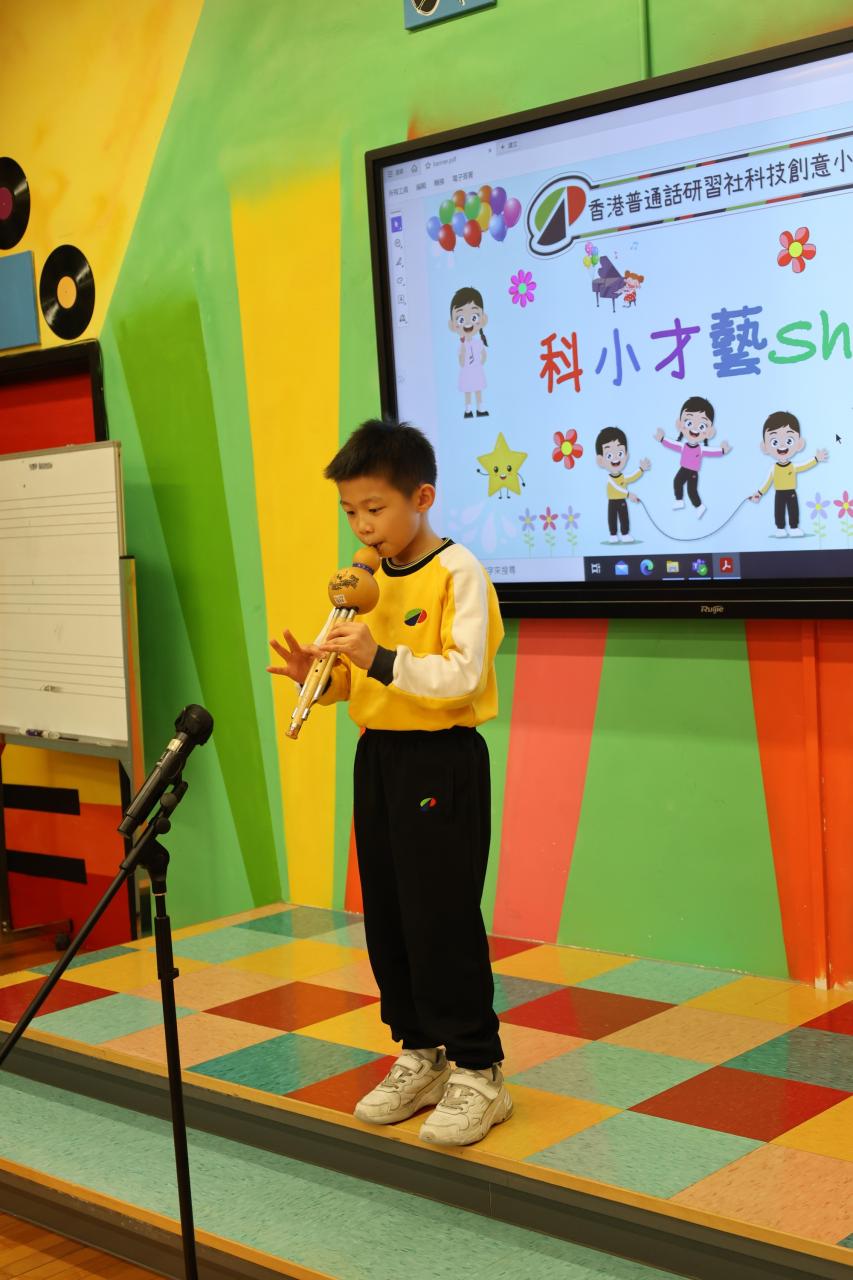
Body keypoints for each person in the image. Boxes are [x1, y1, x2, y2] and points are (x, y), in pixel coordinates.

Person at [268, 419, 511, 1147]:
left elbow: (462, 674)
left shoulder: (458, 571)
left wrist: (375, 656)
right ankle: (420, 1052)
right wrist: (321, 678)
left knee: (441, 915)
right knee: (391, 914)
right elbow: (368, 683)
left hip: (441, 759)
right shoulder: (364, 580)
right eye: (350, 511)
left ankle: (479, 1069)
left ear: (422, 498)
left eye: (374, 508)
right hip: (379, 757)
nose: (362, 526)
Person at [750, 410, 828, 537]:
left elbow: (805, 465)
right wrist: (759, 493)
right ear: (765, 447)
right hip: (779, 493)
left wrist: (816, 459)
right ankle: (780, 528)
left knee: (793, 510)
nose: (781, 445)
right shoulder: (773, 468)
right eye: (774, 442)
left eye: (789, 440)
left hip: (791, 492)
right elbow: (767, 482)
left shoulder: (793, 466)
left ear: (799, 444)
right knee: (778, 511)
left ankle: (794, 527)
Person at [654, 396, 731, 519]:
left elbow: (711, 451)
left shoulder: (701, 449)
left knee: (690, 490)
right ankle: (682, 501)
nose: (694, 429)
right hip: (685, 469)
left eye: (702, 426)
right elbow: (673, 444)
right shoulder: (683, 446)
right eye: (689, 423)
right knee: (679, 483)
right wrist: (662, 439)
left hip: (692, 472)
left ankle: (698, 506)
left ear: (709, 432)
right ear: (680, 425)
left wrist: (722, 450)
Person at [594, 426, 650, 543]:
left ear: (626, 455)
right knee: (612, 518)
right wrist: (628, 494)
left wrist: (641, 469)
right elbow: (616, 488)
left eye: (620, 453)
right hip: (613, 502)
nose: (615, 458)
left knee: (624, 517)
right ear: (601, 460)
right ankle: (613, 534)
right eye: (609, 455)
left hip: (622, 501)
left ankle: (625, 534)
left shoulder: (622, 477)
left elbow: (631, 477)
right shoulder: (610, 479)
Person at [449, 287, 489, 418]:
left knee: (478, 390)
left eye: (474, 317)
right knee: (468, 391)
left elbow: (484, 356)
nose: (467, 323)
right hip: (467, 371)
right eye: (460, 319)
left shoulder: (478, 342)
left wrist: (479, 364)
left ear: (483, 319)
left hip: (476, 370)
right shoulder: (462, 345)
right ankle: (468, 410)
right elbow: (461, 362)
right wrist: (463, 351)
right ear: (453, 325)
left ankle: (480, 409)